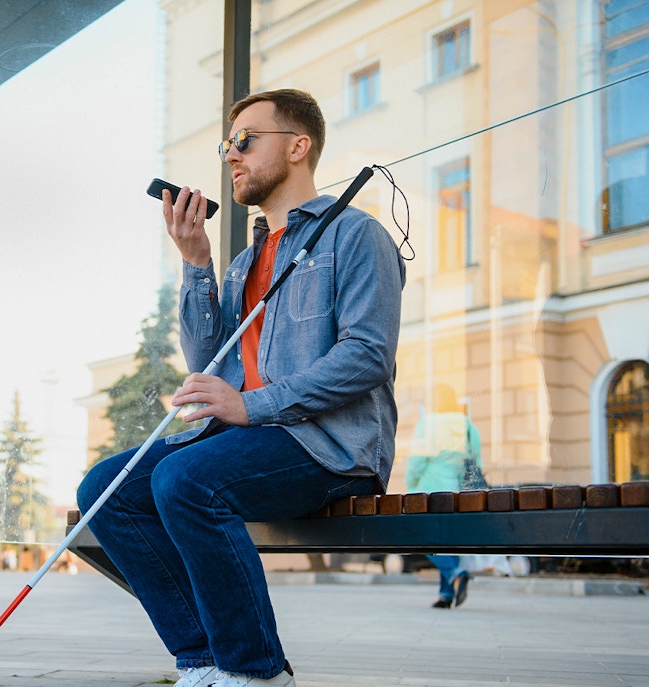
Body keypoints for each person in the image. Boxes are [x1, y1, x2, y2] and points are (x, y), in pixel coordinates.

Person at [77, 89, 405, 687]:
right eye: (228, 144)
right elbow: (211, 362)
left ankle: (254, 672)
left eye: (246, 141)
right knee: (107, 487)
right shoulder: (242, 261)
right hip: (248, 441)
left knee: (185, 479)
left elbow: (367, 357)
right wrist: (195, 260)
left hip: (328, 447)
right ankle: (204, 659)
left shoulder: (355, 236)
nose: (231, 155)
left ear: (298, 147)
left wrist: (250, 406)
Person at [404, 384, 481, 609]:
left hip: (428, 491)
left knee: (423, 540)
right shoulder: (467, 426)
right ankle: (446, 594)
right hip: (456, 493)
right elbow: (477, 462)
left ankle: (456, 574)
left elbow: (417, 462)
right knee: (448, 543)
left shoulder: (428, 424)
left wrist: (411, 485)